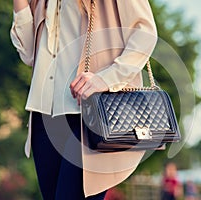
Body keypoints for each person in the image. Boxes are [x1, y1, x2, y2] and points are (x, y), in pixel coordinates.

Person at [10, 0, 157, 199]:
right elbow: (28, 54)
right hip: (43, 117)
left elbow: (145, 32)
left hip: (88, 117)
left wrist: (106, 79)